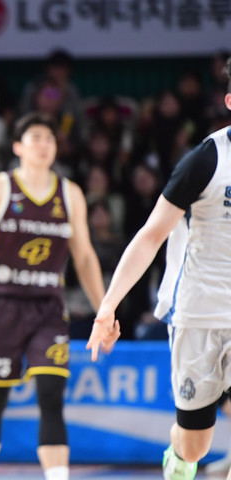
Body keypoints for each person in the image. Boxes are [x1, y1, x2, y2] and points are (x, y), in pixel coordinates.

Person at [87, 57, 231, 480]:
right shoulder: (206, 160)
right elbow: (151, 236)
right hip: (198, 314)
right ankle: (179, 460)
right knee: (194, 443)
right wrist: (108, 306)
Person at [0, 112, 111, 480]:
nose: (44, 144)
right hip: (3, 305)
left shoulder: (70, 193)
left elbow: (85, 257)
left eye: (50, 138)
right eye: (36, 137)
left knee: (51, 395)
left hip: (48, 308)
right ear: (18, 146)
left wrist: (105, 309)